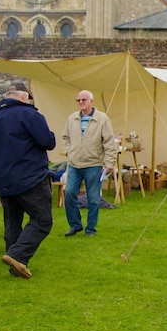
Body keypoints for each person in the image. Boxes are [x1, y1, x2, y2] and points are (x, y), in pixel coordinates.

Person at [0, 83, 56, 279]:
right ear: (24, 97)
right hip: (30, 178)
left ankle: (14, 265)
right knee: (42, 220)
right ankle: (17, 255)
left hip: (4, 178)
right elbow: (47, 141)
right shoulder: (29, 115)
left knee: (13, 223)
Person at [61, 90, 117, 237]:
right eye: (78, 100)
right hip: (74, 164)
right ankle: (75, 225)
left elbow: (109, 142)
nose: (81, 102)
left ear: (91, 101)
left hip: (93, 164)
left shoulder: (102, 119)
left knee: (93, 198)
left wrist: (109, 162)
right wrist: (69, 151)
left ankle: (90, 229)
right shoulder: (72, 118)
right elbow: (65, 137)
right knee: (69, 194)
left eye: (84, 100)